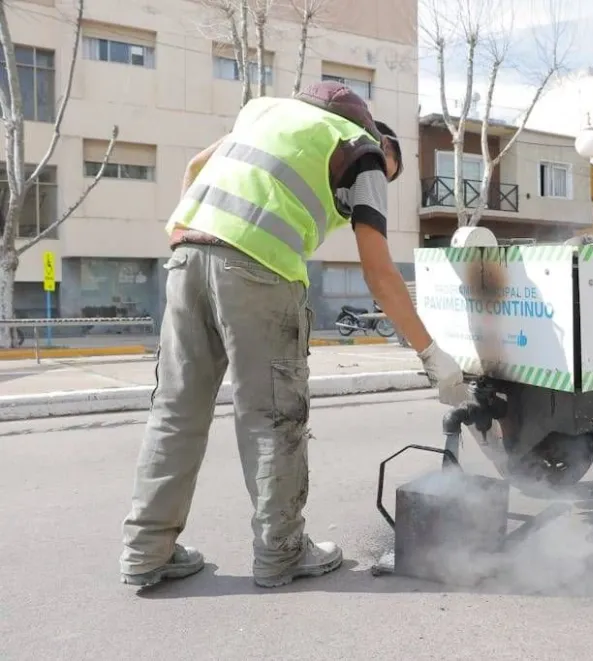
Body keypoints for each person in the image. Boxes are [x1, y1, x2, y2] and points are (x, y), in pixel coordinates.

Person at [119, 80, 465, 589]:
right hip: (259, 271)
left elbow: (195, 167)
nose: (373, 191)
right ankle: (281, 552)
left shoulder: (265, 114)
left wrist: (196, 238)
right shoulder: (363, 151)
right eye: (387, 176)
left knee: (176, 410)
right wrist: (432, 355)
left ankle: (145, 551)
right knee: (272, 415)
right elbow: (379, 272)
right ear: (383, 143)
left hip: (188, 254)